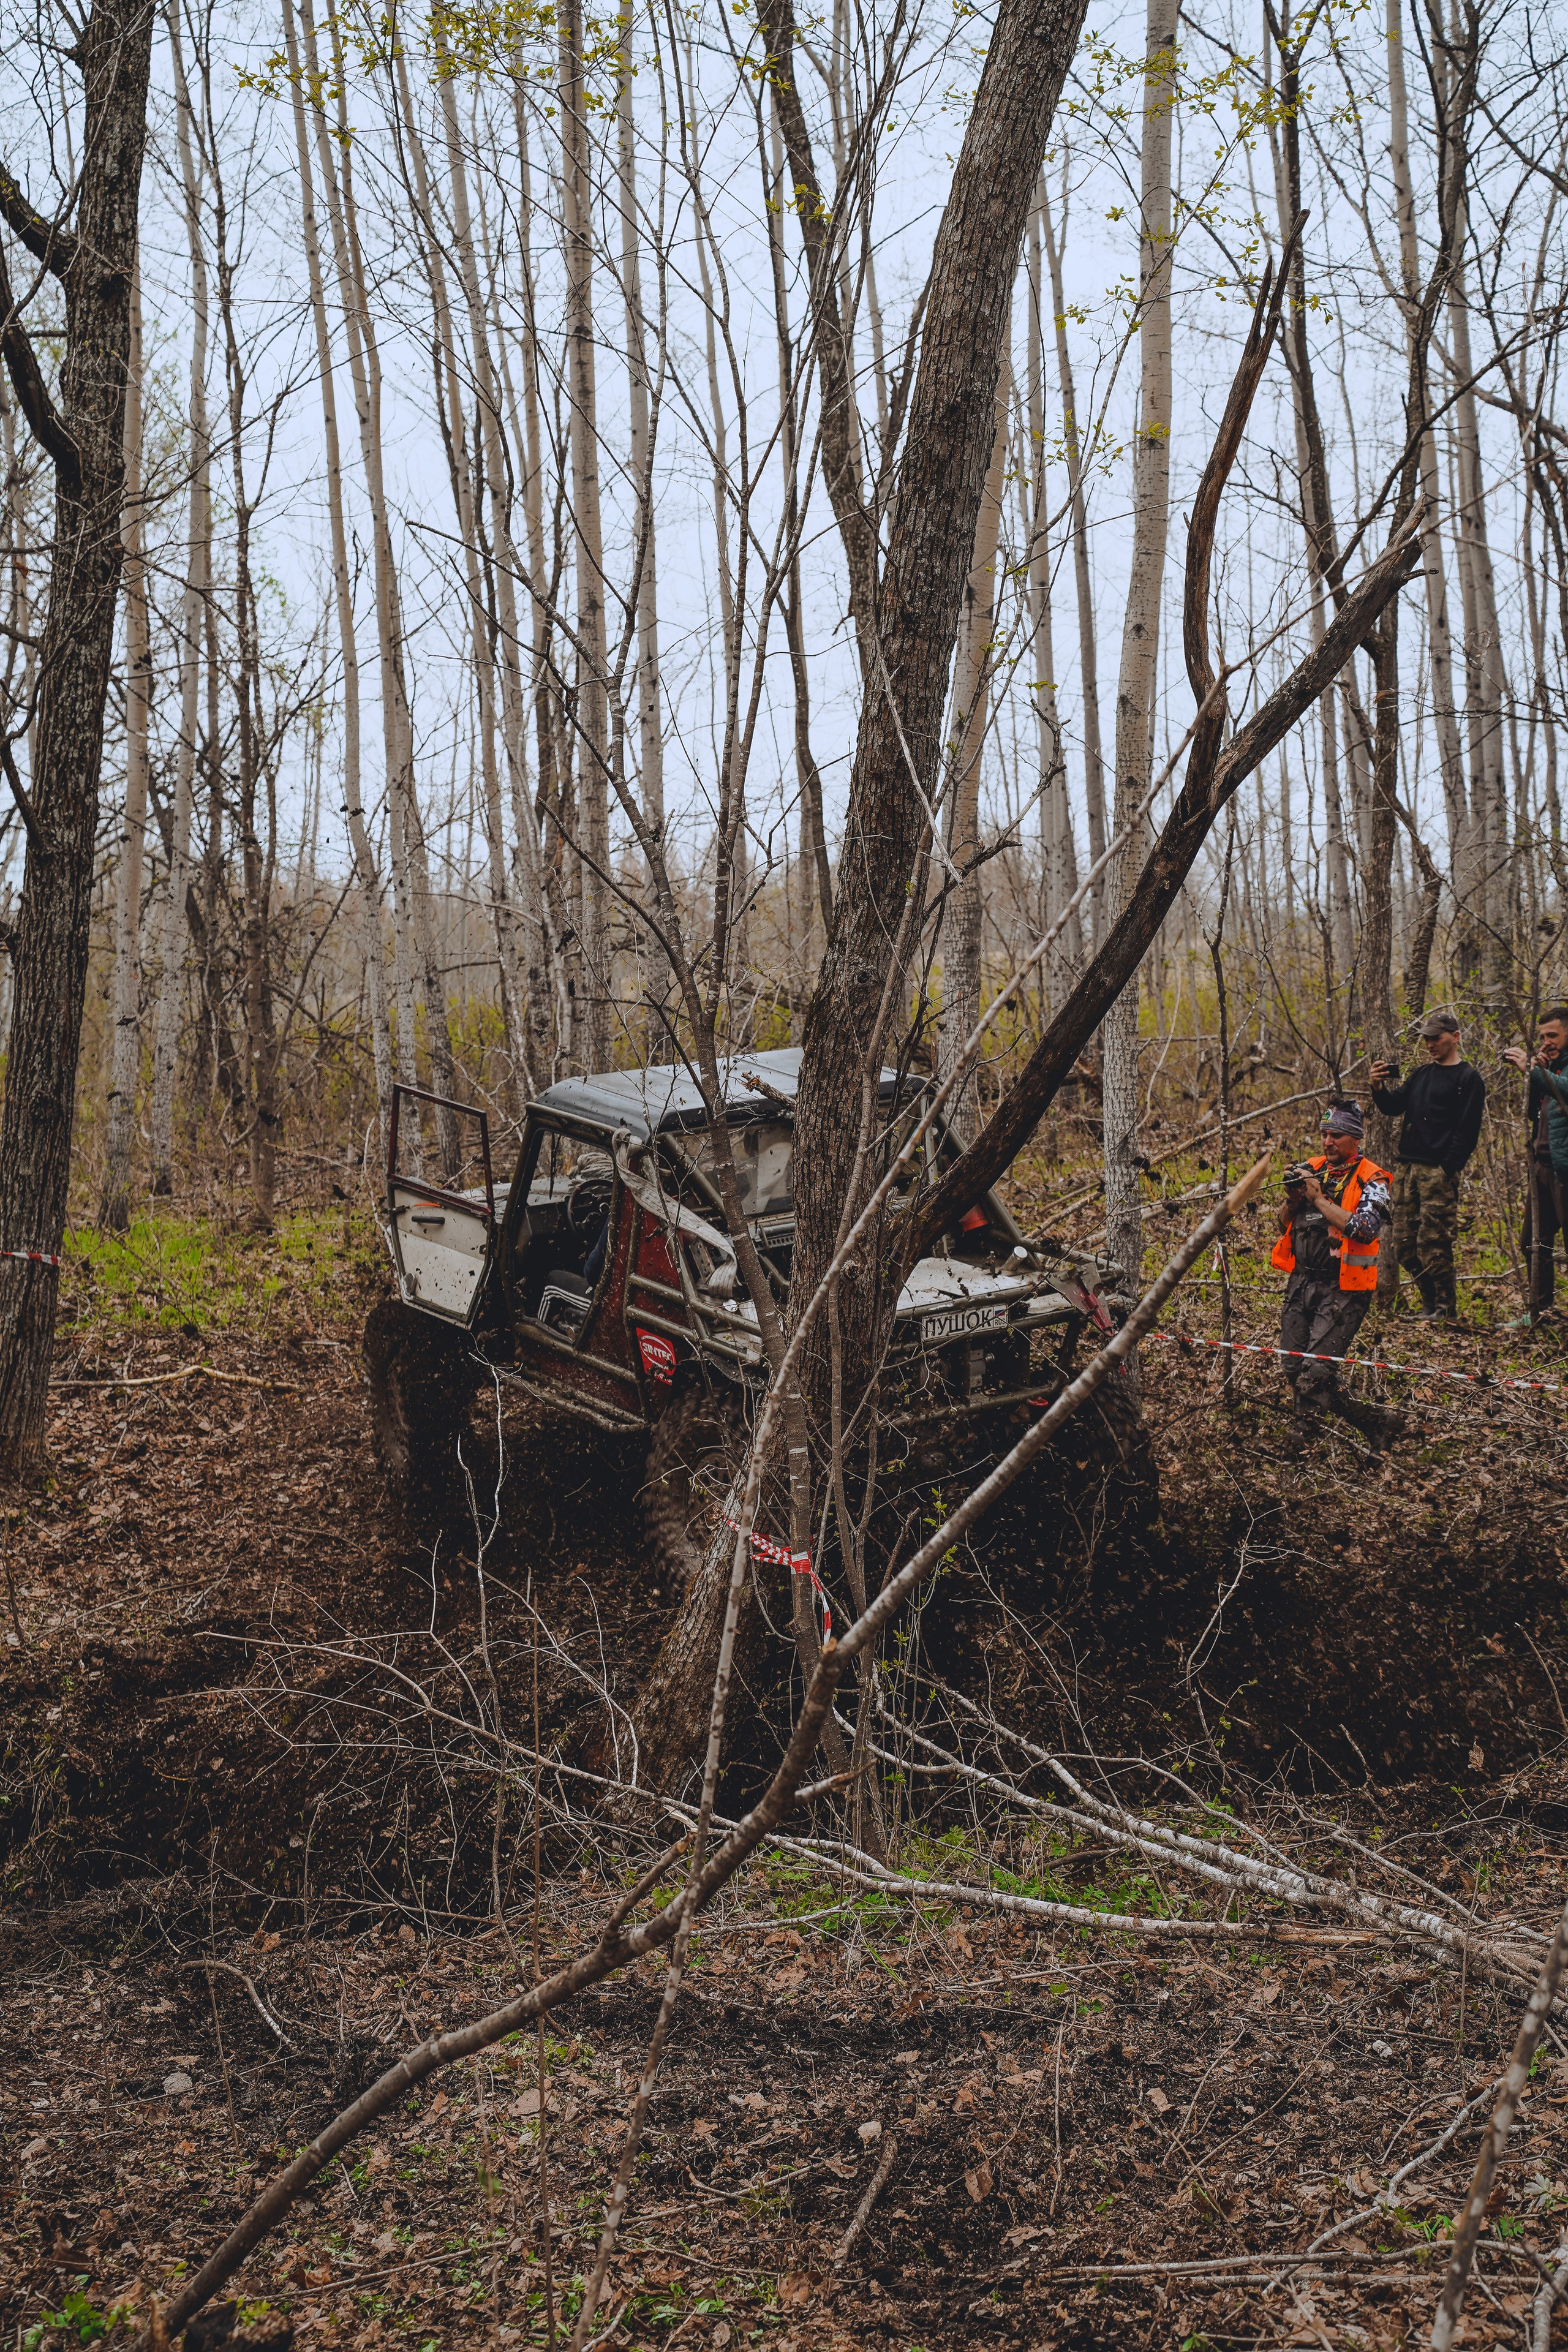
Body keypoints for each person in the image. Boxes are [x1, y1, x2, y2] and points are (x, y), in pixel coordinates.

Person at [1270, 1099, 1402, 1450]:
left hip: (1345, 1289)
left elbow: (1365, 1229)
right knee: (1293, 1368)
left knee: (1314, 1376)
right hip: (1301, 1282)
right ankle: (1378, 1422)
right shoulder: (1311, 1168)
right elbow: (1282, 1223)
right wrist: (1293, 1197)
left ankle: (1300, 1445)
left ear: (1355, 1139)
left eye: (1336, 1135)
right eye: (1324, 1134)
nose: (1328, 1142)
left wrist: (1318, 1200)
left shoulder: (1373, 1179)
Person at [1368, 1011, 1486, 1321]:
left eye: (1436, 1038)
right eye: (1427, 1039)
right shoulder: (1422, 1074)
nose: (1430, 1044)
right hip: (1407, 1168)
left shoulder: (1468, 1079)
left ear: (1455, 1037)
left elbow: (1468, 1131)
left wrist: (1448, 1168)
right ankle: (1429, 1304)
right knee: (1404, 1243)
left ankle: (1445, 1310)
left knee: (1434, 1243)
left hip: (1438, 1172)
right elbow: (1394, 1106)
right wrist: (1378, 1088)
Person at [1502, 1008, 1568, 1325]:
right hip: (1542, 1166)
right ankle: (1539, 1313)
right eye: (1542, 1037)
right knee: (1534, 1241)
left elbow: (1564, 1090)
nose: (1546, 1042)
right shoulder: (1550, 1068)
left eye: (1552, 1035)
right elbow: (1534, 1113)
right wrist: (1535, 1074)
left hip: (1565, 1170)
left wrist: (1535, 1070)